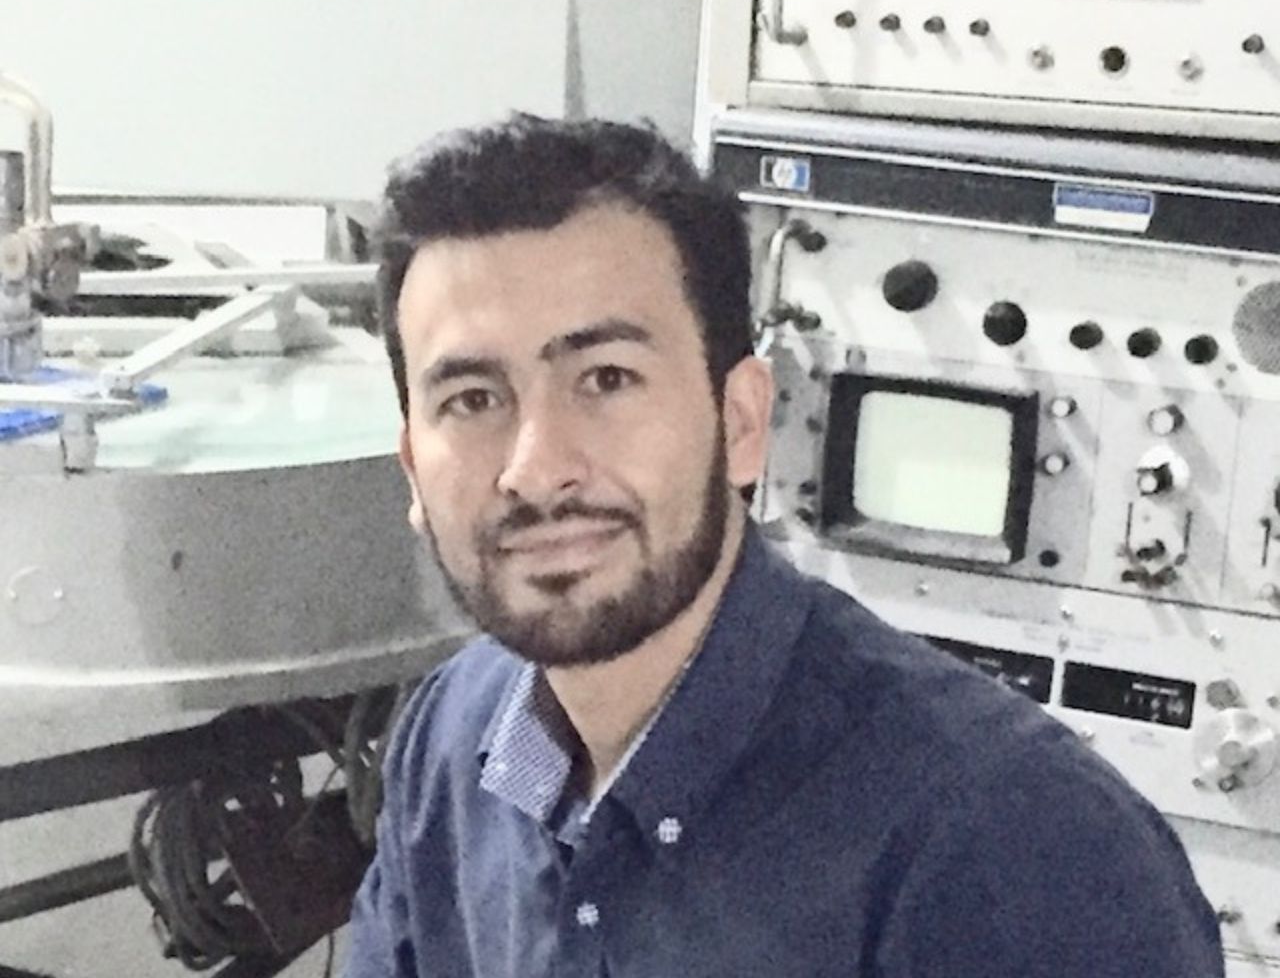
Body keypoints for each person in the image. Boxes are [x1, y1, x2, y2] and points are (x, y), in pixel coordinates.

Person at [345, 114, 1223, 978]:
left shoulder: (1023, 848)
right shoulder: (450, 738)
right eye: (472, 399)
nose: (537, 471)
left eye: (606, 379)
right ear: (413, 466)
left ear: (742, 423)